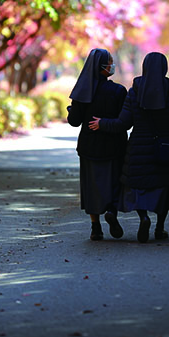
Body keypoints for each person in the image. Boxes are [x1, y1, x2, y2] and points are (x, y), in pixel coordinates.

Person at [89, 52, 169, 243]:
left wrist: (102, 123)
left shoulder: (134, 92)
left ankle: (143, 217)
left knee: (138, 187)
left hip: (138, 149)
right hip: (166, 149)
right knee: (165, 187)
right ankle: (160, 229)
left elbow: (123, 123)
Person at [67, 48, 128, 241]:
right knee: (113, 181)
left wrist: (73, 109)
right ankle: (111, 211)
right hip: (114, 145)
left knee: (90, 186)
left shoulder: (82, 92)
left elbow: (74, 121)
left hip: (89, 146)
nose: (112, 65)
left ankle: (96, 228)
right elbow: (124, 120)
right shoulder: (118, 91)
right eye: (110, 62)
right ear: (102, 66)